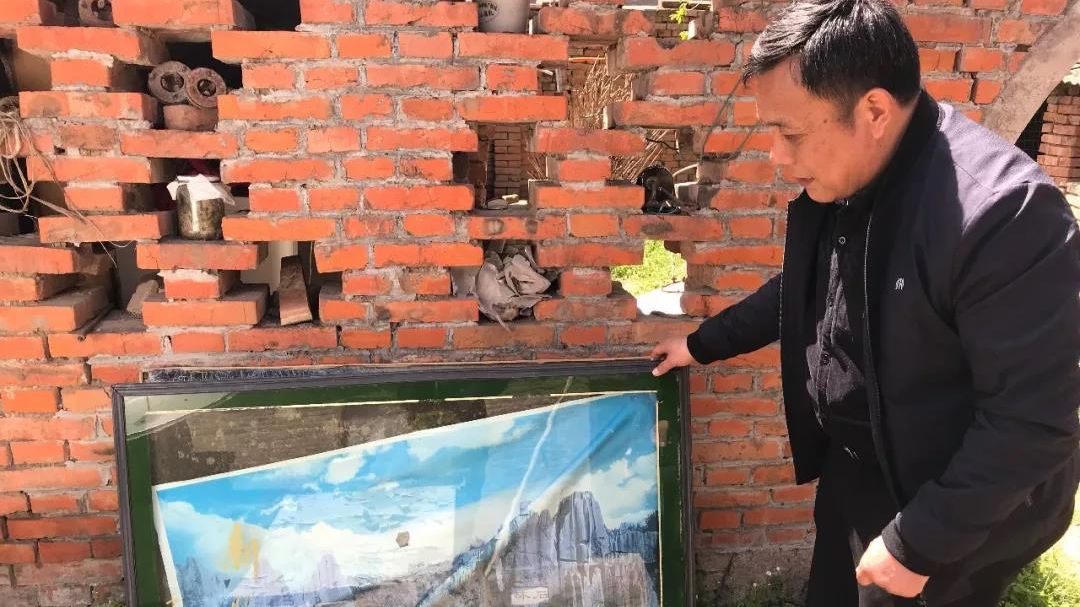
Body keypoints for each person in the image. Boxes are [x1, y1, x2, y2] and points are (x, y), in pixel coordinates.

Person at [649, 0, 1080, 605]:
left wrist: (919, 543)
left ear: (874, 110)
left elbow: (1033, 420)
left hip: (949, 502)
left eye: (790, 133)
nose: (776, 156)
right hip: (857, 467)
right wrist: (700, 345)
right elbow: (804, 287)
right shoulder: (852, 176)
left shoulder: (1004, 215)